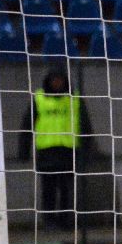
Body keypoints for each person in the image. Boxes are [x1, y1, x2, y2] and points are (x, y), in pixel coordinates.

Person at [18, 67, 95, 233]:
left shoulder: (74, 99)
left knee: (66, 190)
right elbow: (27, 124)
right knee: (49, 189)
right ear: (49, 81)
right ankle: (49, 221)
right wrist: (23, 150)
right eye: (54, 80)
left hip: (68, 151)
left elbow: (86, 126)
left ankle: (65, 221)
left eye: (60, 80)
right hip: (47, 152)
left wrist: (87, 151)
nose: (57, 83)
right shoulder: (39, 98)